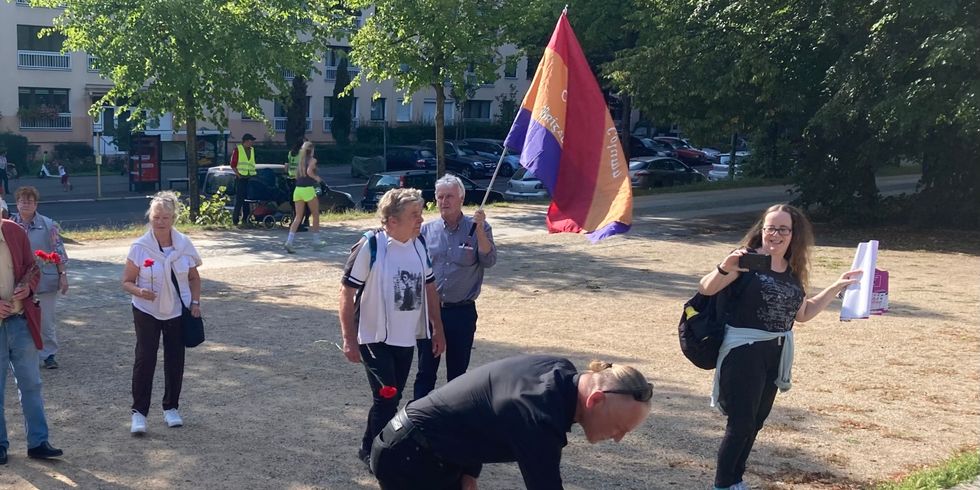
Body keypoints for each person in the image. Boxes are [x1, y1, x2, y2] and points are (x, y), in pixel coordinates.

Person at [698, 204, 861, 490]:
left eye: (782, 229)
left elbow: (803, 314)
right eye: (770, 227)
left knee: (756, 422)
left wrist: (837, 286)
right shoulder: (746, 261)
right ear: (761, 230)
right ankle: (723, 484)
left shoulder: (792, 271)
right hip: (743, 351)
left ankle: (736, 480)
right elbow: (706, 288)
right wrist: (726, 266)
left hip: (775, 352)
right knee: (741, 423)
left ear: (793, 234)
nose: (775, 234)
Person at [371, 355, 653, 489]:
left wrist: (469, 471)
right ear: (596, 400)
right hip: (409, 458)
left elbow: (485, 400)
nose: (618, 438)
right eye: (620, 427)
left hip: (425, 450)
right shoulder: (540, 415)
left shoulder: (560, 370)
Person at [339, 188, 446, 470]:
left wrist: (438, 329)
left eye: (421, 214)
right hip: (372, 337)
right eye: (414, 215)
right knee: (387, 393)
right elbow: (346, 293)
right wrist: (349, 339)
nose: (420, 219)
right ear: (392, 220)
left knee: (392, 396)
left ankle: (367, 445)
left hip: (405, 337)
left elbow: (430, 288)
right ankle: (378, 455)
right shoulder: (370, 246)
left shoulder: (418, 245)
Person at [120, 191, 202, 435]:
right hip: (146, 309)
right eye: (156, 216)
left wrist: (195, 302)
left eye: (166, 217)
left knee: (175, 359)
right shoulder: (140, 247)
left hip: (178, 309)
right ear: (150, 217)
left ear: (174, 218)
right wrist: (140, 291)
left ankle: (171, 408)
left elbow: (194, 277)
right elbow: (126, 281)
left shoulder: (184, 245)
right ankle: (139, 413)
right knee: (145, 358)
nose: (160, 221)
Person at [414, 174, 496, 399]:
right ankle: (419, 421)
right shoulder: (425, 231)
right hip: (431, 312)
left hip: (462, 312)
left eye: (449, 196)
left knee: (458, 376)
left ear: (461, 198)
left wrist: (479, 230)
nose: (443, 201)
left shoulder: (478, 227)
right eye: (439, 197)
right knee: (425, 372)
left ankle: (454, 423)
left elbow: (488, 261)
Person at [0, 196, 64, 465]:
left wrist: (28, 287)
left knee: (32, 384)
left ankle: (38, 442)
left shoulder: (14, 231)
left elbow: (31, 269)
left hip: (21, 320)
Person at [11, 186, 69, 370]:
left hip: (45, 279)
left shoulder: (48, 224)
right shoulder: (9, 224)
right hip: (16, 281)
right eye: (22, 200)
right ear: (17, 203)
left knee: (46, 319)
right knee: (17, 318)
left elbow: (58, 251)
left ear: (36, 204)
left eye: (29, 201)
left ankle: (49, 354)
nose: (25, 204)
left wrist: (62, 275)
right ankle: (20, 355)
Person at [283, 141, 325, 253]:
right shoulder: (312, 160)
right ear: (311, 150)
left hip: (298, 190)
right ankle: (316, 241)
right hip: (308, 189)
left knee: (298, 217)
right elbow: (309, 172)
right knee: (315, 215)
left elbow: (296, 175)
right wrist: (318, 179)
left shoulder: (300, 161)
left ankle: (289, 242)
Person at [230, 133, 257, 227]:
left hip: (249, 178)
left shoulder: (252, 150)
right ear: (246, 141)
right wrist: (238, 175)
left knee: (247, 200)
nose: (252, 142)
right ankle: (235, 220)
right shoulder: (238, 149)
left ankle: (246, 219)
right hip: (241, 178)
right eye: (251, 140)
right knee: (239, 200)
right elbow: (233, 164)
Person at [286, 140, 311, 232]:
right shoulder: (302, 154)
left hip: (290, 180)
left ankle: (295, 222)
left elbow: (288, 166)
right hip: (299, 181)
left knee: (294, 204)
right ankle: (299, 224)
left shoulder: (290, 153)